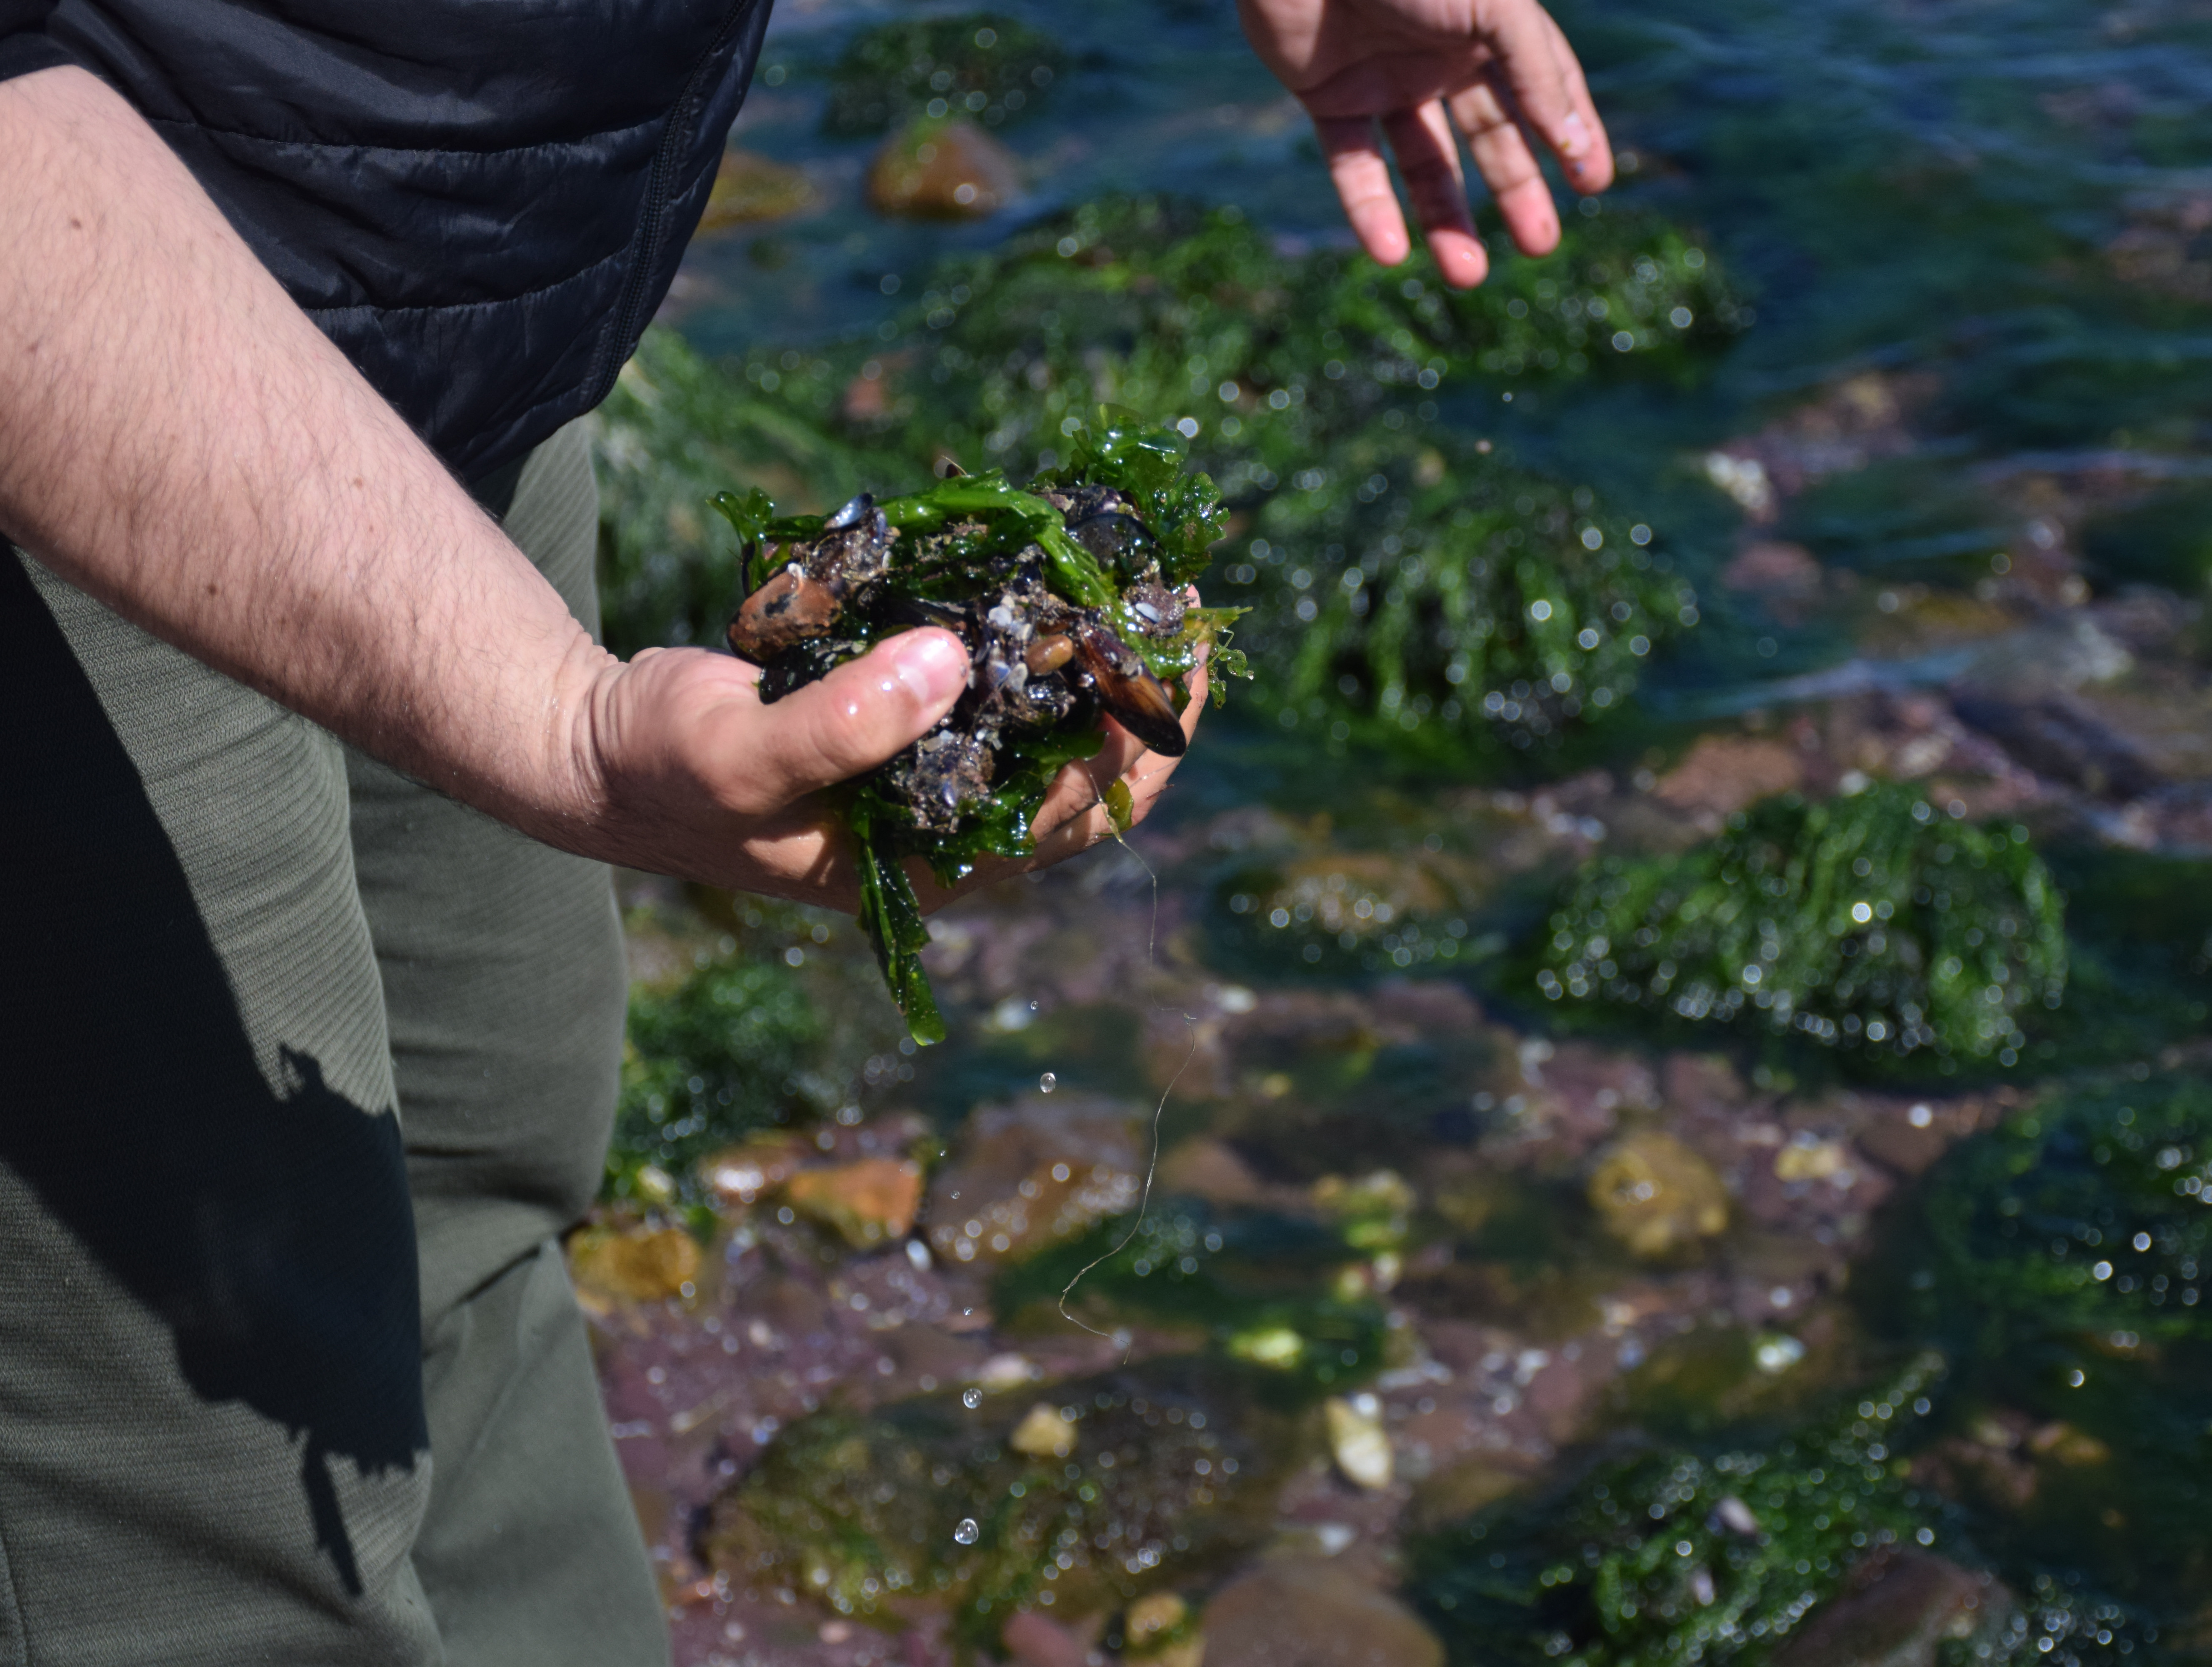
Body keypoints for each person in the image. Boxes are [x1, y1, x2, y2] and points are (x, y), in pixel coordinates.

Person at [0, 0, 1609, 1658]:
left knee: (469, 1201)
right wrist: (565, 722)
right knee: (205, 1438)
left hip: (463, 329)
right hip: (72, 398)